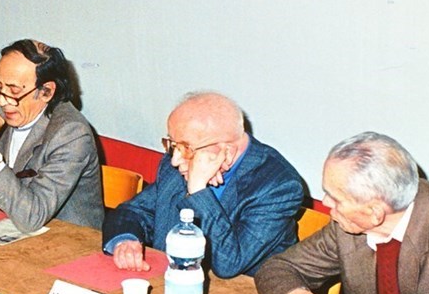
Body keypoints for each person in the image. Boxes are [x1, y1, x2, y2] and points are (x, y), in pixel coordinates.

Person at [255, 132, 429, 294]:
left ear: (374, 212)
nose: (326, 203)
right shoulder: (348, 224)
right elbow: (279, 267)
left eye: (335, 198)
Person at [101, 91, 303, 278]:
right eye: (172, 144)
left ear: (228, 152)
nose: (174, 160)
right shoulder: (179, 163)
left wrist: (198, 189)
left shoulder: (277, 186)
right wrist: (125, 241)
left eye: (186, 148)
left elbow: (228, 264)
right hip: (171, 283)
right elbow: (134, 212)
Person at [0, 39, 104, 232]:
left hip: (68, 243)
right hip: (9, 230)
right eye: (0, 86)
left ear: (46, 91)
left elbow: (32, 217)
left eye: (13, 91)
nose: (2, 101)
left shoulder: (71, 134)